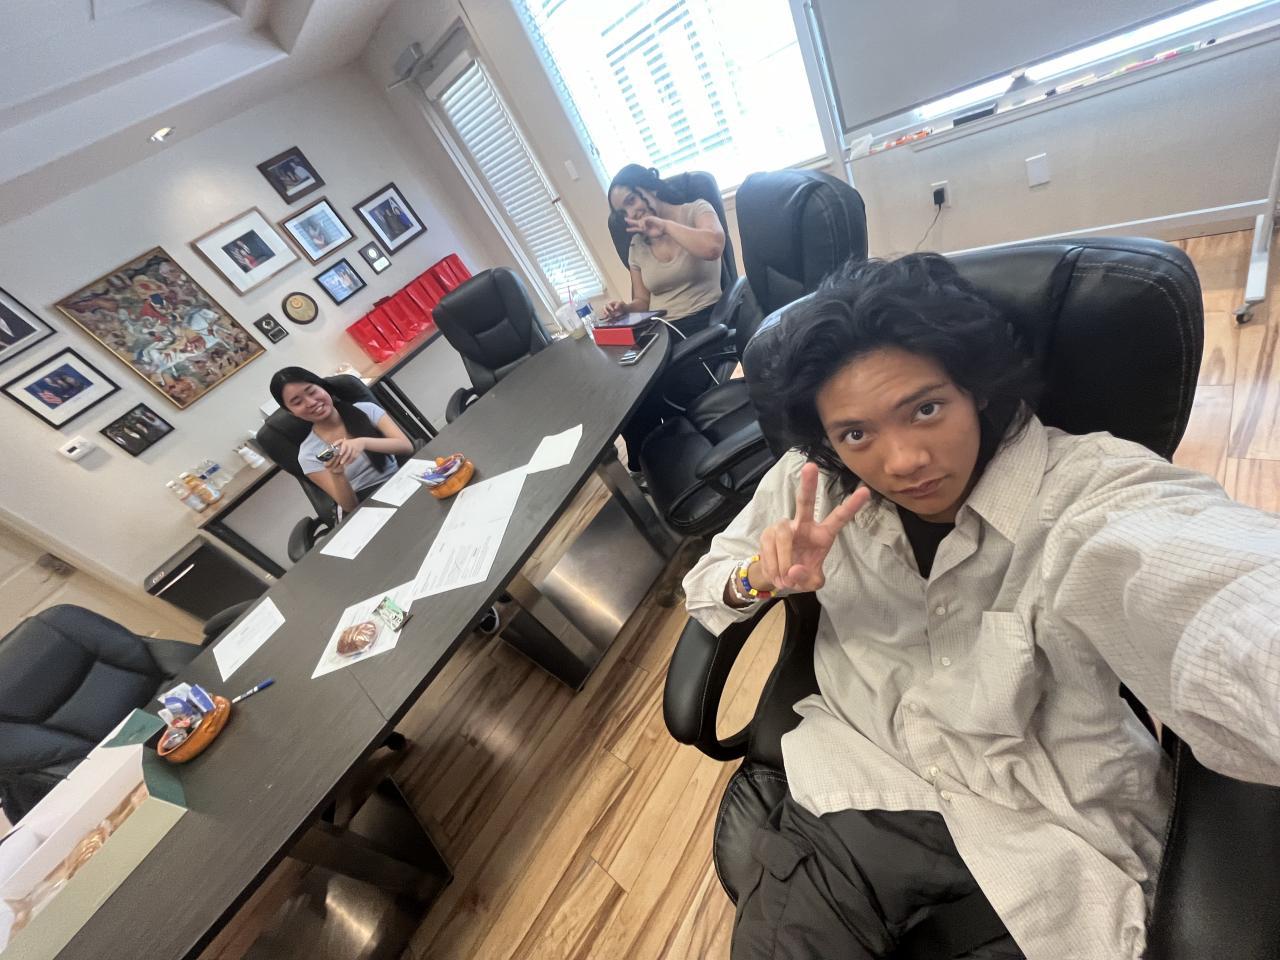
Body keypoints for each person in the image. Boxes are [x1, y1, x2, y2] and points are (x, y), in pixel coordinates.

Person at [683, 253, 1280, 960]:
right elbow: (710, 582)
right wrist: (761, 577)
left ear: (977, 389)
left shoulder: (1084, 492)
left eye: (925, 409)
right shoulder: (809, 483)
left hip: (1046, 835)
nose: (901, 461)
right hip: (855, 786)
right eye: (857, 433)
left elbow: (1214, 590)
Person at [604, 164, 728, 468]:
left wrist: (665, 226)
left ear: (650, 187)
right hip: (661, 328)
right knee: (629, 391)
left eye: (632, 200)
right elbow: (642, 301)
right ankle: (649, 466)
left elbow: (713, 247)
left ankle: (692, 460)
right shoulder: (637, 245)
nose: (631, 213)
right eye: (622, 211)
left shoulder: (696, 210)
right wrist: (624, 309)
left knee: (667, 389)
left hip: (704, 320)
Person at [269, 367, 413, 513]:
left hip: (399, 482)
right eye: (297, 402)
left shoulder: (366, 410)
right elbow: (350, 506)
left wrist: (363, 442)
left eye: (312, 392)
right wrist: (337, 474)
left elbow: (406, 447)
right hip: (366, 506)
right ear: (291, 412)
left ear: (323, 387)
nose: (311, 402)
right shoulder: (307, 455)